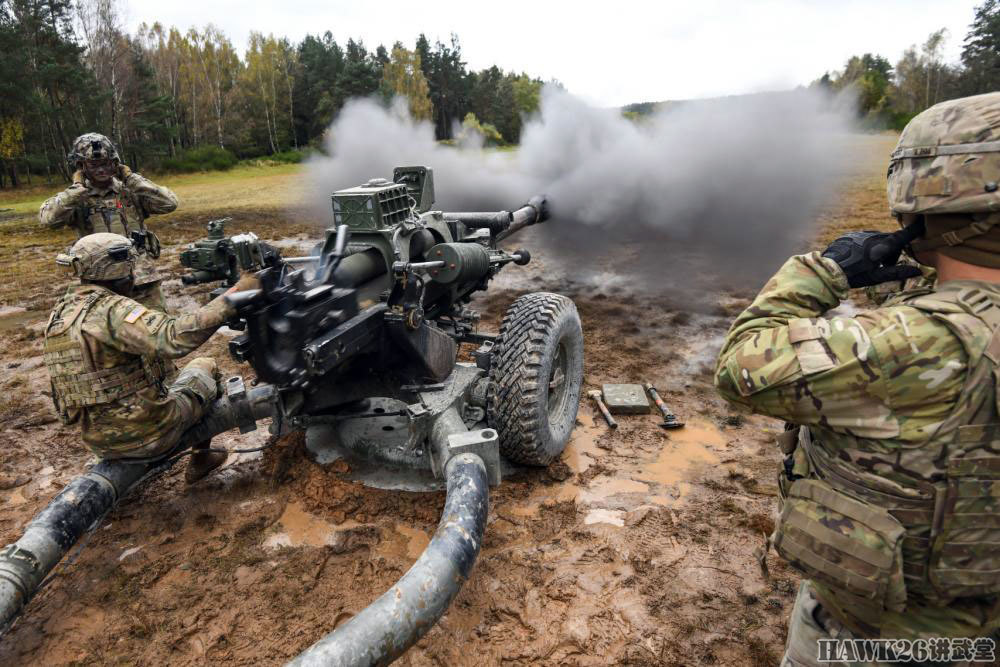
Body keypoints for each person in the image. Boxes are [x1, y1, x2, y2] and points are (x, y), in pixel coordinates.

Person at [715, 91, 1000, 666]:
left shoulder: (922, 343)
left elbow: (742, 363)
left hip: (888, 637)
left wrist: (822, 271)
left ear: (922, 204)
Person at [43, 232, 257, 483]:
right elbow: (174, 338)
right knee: (205, 366)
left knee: (170, 377)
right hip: (149, 434)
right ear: (120, 269)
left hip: (97, 440)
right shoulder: (112, 310)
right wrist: (235, 295)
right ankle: (201, 459)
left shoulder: (61, 313)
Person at [39, 133, 178, 310]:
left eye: (106, 163)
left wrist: (131, 178)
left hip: (141, 279)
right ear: (82, 167)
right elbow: (48, 220)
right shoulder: (76, 198)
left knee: (157, 330)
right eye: (94, 164)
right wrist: (76, 190)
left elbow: (169, 203)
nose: (101, 170)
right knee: (110, 336)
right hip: (101, 282)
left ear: (115, 163)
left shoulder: (131, 190)